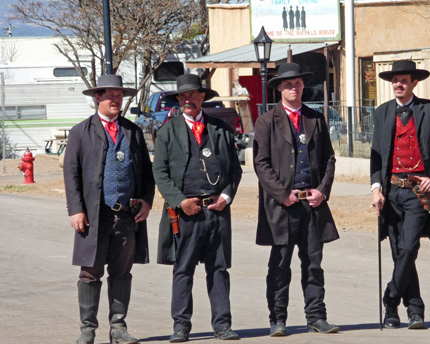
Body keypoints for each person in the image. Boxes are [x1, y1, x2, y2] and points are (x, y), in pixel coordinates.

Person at [63, 74, 155, 344]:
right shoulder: (81, 131)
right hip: (94, 215)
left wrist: (147, 201)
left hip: (126, 215)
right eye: (110, 95)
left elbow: (147, 174)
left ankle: (118, 327)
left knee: (122, 271)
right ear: (97, 97)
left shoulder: (133, 131)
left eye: (119, 95)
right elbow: (72, 174)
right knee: (89, 273)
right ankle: (87, 330)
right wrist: (76, 210)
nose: (116, 99)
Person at [153, 74, 242, 343]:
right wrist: (180, 201)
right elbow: (160, 172)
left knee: (218, 269)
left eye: (192, 94)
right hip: (184, 213)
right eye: (182, 96)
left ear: (202, 97)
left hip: (216, 211)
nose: (187, 100)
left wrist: (226, 196)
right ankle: (181, 326)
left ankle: (222, 325)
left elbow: (235, 170)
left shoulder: (220, 128)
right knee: (183, 269)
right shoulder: (167, 131)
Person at [253, 62, 340, 337]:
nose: (294, 87)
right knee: (279, 265)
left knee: (313, 264)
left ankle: (316, 316)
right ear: (280, 87)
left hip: (312, 205)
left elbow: (328, 158)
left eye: (298, 83)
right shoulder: (267, 120)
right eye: (288, 84)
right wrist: (283, 194)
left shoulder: (316, 118)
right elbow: (261, 164)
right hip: (282, 207)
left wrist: (322, 190)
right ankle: (277, 319)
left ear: (303, 86)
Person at [370, 60, 430, 329]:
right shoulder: (381, 113)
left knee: (409, 247)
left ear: (414, 83)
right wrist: (376, 189)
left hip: (420, 192)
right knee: (399, 254)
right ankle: (413, 310)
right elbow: (376, 157)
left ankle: (390, 298)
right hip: (392, 190)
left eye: (404, 80)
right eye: (395, 80)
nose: (399, 84)